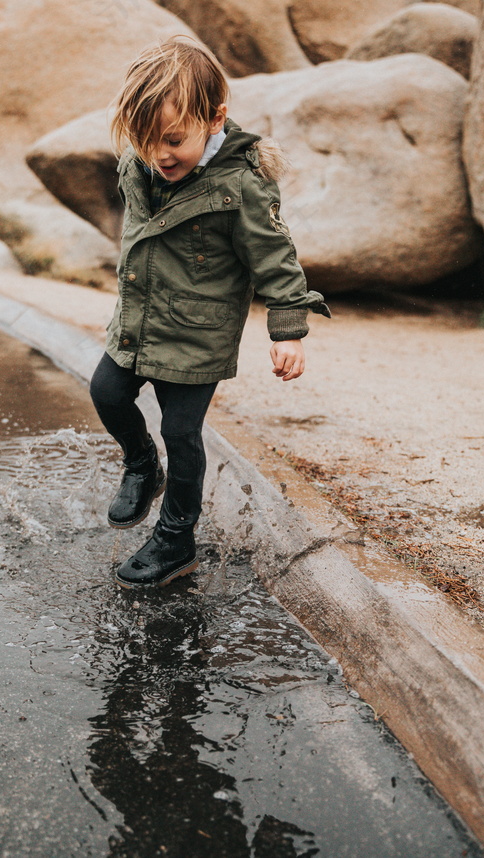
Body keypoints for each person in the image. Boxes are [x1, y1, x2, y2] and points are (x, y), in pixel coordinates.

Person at [89, 36, 330, 590]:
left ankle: (176, 540)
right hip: (137, 322)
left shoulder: (241, 185)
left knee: (182, 430)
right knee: (106, 393)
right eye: (146, 141)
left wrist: (289, 330)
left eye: (173, 140)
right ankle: (141, 465)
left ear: (214, 117)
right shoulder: (143, 163)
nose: (160, 155)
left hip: (199, 335)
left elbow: (275, 257)